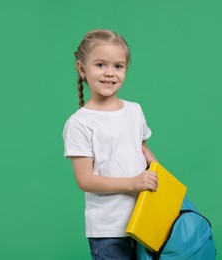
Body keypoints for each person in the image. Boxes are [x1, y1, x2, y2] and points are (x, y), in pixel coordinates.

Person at [63, 29, 158, 260]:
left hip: (145, 221)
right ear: (82, 68)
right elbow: (85, 180)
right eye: (100, 65)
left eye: (118, 66)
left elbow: (143, 152)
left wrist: (156, 170)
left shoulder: (134, 110)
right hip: (109, 230)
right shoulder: (79, 123)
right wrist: (134, 183)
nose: (110, 73)